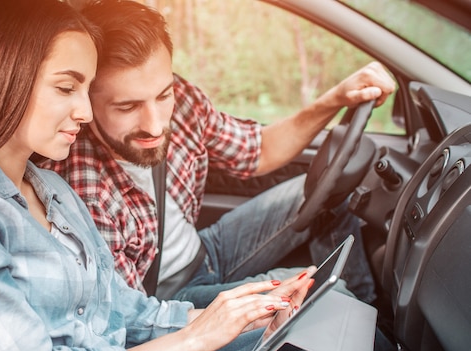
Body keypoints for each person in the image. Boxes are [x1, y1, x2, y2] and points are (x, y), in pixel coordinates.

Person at [0, 0, 386, 351]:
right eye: (67, 87)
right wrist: (195, 341)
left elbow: (125, 311)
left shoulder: (50, 191)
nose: (83, 110)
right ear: (1, 78)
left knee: (335, 343)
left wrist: (231, 315)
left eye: (84, 87)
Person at [46, 0, 397, 308]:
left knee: (327, 189)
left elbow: (258, 150)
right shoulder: (82, 191)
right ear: (87, 99)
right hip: (165, 300)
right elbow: (135, 320)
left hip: (207, 249)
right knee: (319, 292)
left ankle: (372, 315)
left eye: (163, 95)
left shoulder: (183, 101)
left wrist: (337, 98)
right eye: (127, 106)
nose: (155, 125)